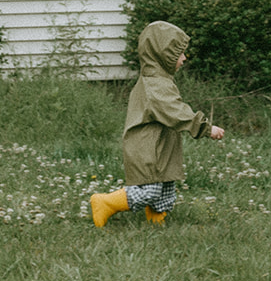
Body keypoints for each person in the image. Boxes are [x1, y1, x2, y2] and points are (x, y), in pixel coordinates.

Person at [91, 20, 224, 227]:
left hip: (161, 146)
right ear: (164, 54)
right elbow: (176, 112)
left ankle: (156, 224)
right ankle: (105, 202)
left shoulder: (160, 79)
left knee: (165, 188)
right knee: (150, 189)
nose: (184, 58)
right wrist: (205, 127)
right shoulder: (155, 84)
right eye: (179, 53)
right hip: (148, 148)